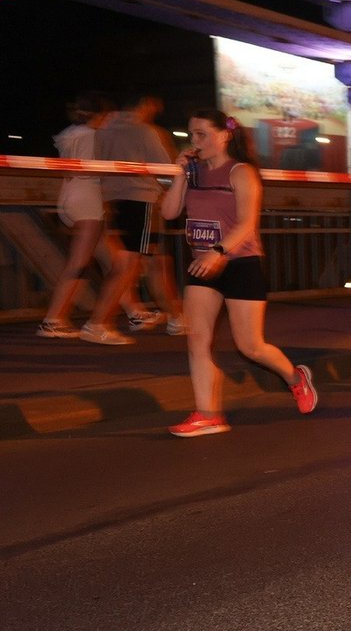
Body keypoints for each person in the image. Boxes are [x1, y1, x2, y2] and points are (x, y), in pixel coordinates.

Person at [156, 109, 318, 436]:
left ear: (224, 135)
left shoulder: (241, 172)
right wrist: (179, 175)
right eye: (191, 134)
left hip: (240, 264)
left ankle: (295, 377)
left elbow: (247, 224)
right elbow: (169, 212)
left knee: (250, 346)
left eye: (202, 134)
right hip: (202, 265)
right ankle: (208, 414)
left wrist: (219, 252)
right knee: (197, 340)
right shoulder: (193, 173)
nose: (194, 141)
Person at [39, 92, 133, 344]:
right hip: (88, 201)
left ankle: (129, 313)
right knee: (79, 263)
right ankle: (57, 320)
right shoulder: (91, 136)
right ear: (100, 115)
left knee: (119, 262)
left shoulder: (70, 133)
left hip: (70, 197)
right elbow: (94, 170)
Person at [99, 92, 186, 336]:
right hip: (142, 200)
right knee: (146, 264)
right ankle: (99, 322)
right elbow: (166, 168)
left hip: (112, 202)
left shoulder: (104, 129)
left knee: (130, 262)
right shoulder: (147, 131)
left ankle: (151, 314)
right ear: (145, 104)